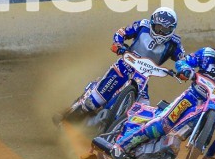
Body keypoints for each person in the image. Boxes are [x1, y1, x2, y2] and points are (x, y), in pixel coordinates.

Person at [110, 31, 215, 159]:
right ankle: (121, 145)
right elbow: (183, 61)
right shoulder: (206, 54)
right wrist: (186, 70)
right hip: (191, 98)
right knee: (163, 125)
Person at [55, 8, 186, 126]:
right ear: (152, 23)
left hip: (143, 77)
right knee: (95, 101)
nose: (161, 32)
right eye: (158, 27)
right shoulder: (142, 25)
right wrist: (117, 44)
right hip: (124, 66)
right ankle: (67, 118)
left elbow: (183, 60)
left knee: (143, 109)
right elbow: (122, 32)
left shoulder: (175, 43)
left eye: (165, 30)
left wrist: (183, 70)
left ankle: (121, 138)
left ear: (172, 29)